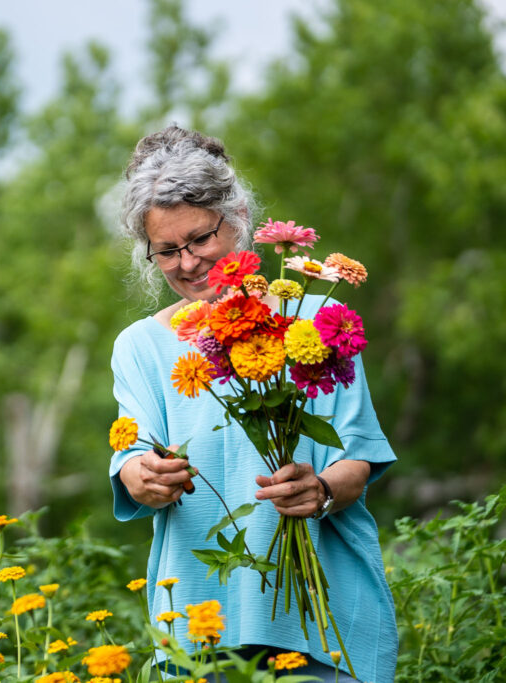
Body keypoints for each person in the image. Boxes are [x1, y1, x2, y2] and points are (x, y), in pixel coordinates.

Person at [109, 126, 397, 683]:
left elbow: (357, 457)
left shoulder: (313, 320)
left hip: (324, 617)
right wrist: (142, 476)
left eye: (198, 239)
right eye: (166, 250)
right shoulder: (140, 346)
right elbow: (134, 459)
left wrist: (319, 491)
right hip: (202, 620)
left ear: (237, 216)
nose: (187, 263)